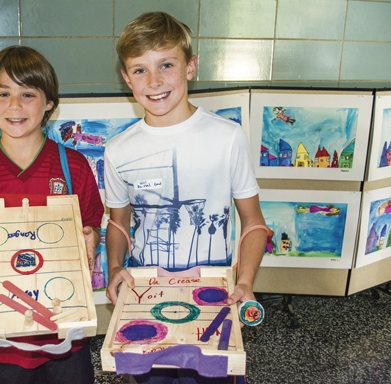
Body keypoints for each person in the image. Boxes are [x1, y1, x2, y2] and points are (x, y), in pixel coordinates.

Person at [104, 12, 267, 384]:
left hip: (214, 295)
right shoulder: (117, 149)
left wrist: (247, 280)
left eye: (166, 65)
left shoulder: (227, 137)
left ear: (191, 67)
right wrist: (115, 267)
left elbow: (254, 223)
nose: (155, 81)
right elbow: (117, 223)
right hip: (145, 294)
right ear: (126, 79)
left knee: (212, 375)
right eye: (140, 70)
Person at [0, 45, 103, 384]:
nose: (14, 106)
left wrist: (91, 237)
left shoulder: (73, 166)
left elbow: (91, 220)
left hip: (65, 332)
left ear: (49, 104)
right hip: (2, 335)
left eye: (27, 94)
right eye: (3, 93)